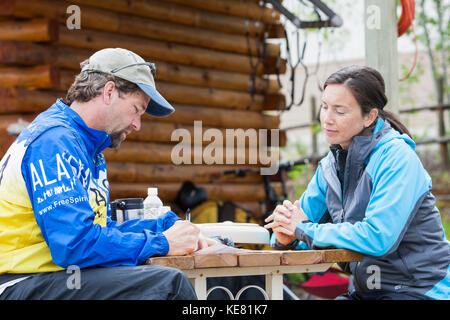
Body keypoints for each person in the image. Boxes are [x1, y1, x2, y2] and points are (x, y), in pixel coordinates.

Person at [0, 48, 216, 300]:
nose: (137, 124)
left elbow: (98, 229)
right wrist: (163, 242)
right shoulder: (55, 141)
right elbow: (75, 245)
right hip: (17, 282)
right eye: (136, 109)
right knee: (167, 285)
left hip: (46, 277)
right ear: (109, 91)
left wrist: (165, 225)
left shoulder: (86, 144)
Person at [265, 65, 450, 300]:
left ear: (369, 116)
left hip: (420, 291)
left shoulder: (397, 158)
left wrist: (302, 228)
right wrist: (286, 236)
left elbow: (378, 237)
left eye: (340, 111)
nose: (327, 119)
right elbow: (304, 226)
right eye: (324, 107)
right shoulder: (330, 167)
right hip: (367, 292)